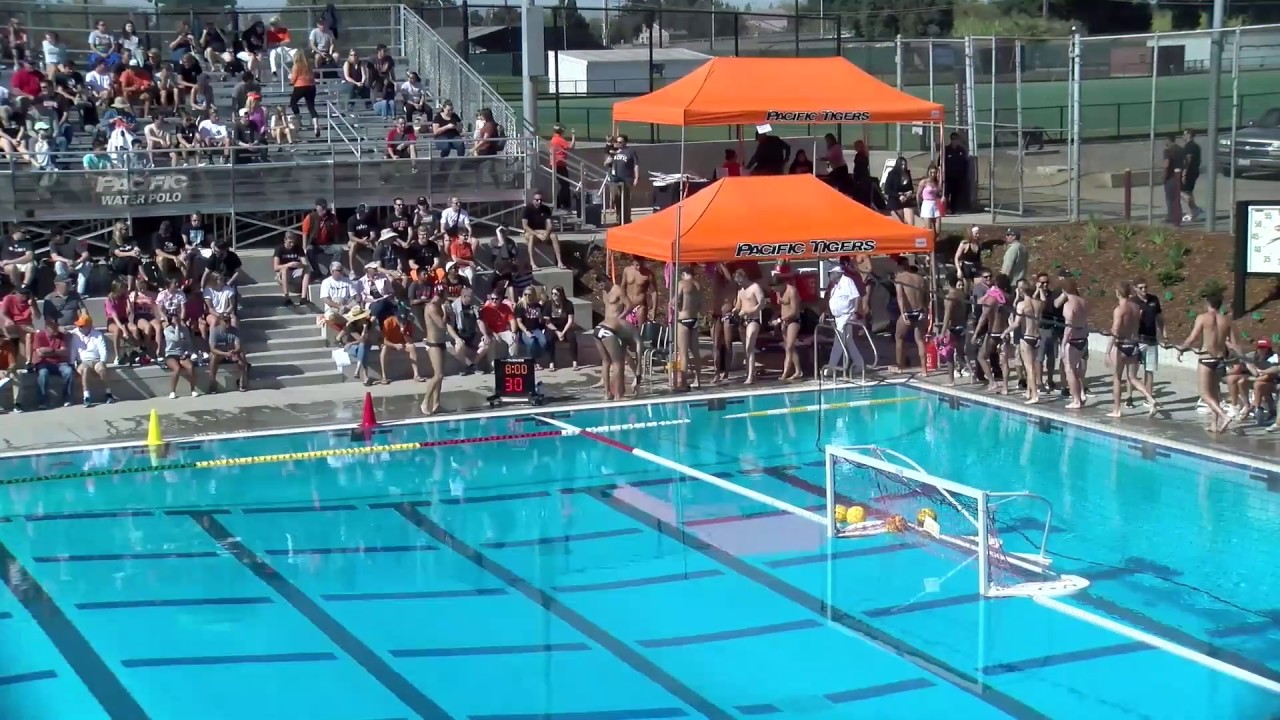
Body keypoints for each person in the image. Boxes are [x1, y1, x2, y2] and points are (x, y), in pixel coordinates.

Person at [1176, 289, 1239, 433]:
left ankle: (1223, 416)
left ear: (1208, 303)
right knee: (1215, 391)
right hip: (1220, 359)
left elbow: (1192, 338)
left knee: (1204, 393)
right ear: (1220, 305)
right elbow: (1233, 343)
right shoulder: (1226, 320)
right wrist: (1236, 358)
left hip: (1206, 359)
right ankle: (1213, 424)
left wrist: (1181, 349)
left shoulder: (1202, 318)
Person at [1106, 283, 1158, 419]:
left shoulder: (1119, 310)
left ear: (1117, 293)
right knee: (1133, 378)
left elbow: (1116, 330)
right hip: (1134, 345)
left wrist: (1108, 351)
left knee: (1117, 378)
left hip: (1121, 346)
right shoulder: (1136, 307)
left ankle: (1116, 409)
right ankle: (1150, 398)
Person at [593, 275, 631, 401]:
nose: (600, 287)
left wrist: (620, 318)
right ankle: (610, 393)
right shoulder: (605, 292)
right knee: (609, 361)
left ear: (607, 280)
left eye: (602, 284)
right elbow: (607, 310)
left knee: (617, 360)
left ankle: (615, 393)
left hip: (613, 328)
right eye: (599, 285)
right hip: (605, 329)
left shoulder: (618, 290)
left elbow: (629, 305)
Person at [975, 273, 1014, 395]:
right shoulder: (1009, 297)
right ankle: (1005, 388)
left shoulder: (992, 298)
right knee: (1004, 361)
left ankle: (992, 382)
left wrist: (975, 333)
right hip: (1005, 331)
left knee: (981, 356)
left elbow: (983, 317)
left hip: (994, 332)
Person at [1057, 279, 1090, 410]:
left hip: (1072, 340)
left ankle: (1076, 400)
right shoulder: (1084, 302)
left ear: (1064, 291)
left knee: (1069, 369)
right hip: (1083, 339)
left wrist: (1063, 343)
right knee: (1075, 370)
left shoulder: (1069, 305)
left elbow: (1069, 326)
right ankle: (1080, 394)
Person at [728, 269, 765, 384]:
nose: (739, 284)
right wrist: (735, 310)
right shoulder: (740, 291)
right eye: (737, 282)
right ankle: (750, 373)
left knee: (749, 347)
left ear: (744, 277)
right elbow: (739, 304)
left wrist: (749, 311)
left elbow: (762, 304)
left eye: (740, 281)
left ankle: (750, 376)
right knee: (746, 350)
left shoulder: (755, 287)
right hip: (742, 321)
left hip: (753, 320)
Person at [1010, 279, 1044, 405]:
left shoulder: (1022, 305)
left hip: (1027, 337)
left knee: (1029, 368)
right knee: (1032, 366)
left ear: (1021, 291)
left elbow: (1016, 323)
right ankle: (1030, 392)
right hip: (1037, 337)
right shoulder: (1039, 303)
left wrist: (1005, 332)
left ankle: (1034, 395)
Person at [893, 256, 929, 372]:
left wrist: (903, 313)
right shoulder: (921, 279)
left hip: (908, 312)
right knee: (919, 340)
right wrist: (925, 311)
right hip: (920, 311)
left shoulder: (900, 278)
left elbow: (900, 298)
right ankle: (924, 369)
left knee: (899, 337)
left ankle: (900, 366)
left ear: (900, 267)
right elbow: (927, 298)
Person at [69, 315, 115, 405]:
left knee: (102, 369)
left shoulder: (97, 334)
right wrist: (71, 363)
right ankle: (86, 397)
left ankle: (108, 393)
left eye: (81, 326)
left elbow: (103, 349)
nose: (79, 327)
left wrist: (102, 361)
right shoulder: (74, 334)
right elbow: (73, 350)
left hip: (96, 360)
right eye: (79, 325)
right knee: (85, 370)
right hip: (83, 361)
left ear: (89, 326)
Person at [1132, 279, 1163, 406]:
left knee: (1149, 370)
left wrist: (1163, 334)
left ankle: (1148, 398)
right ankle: (1129, 398)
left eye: (1145, 287)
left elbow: (1159, 318)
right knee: (1132, 371)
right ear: (1135, 288)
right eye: (1141, 287)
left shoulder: (1154, 300)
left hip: (1151, 339)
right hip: (1137, 339)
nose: (1144, 290)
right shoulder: (1132, 302)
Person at [32, 320, 75, 409]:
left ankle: (67, 398)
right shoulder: (39, 336)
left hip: (59, 363)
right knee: (43, 374)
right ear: (47, 328)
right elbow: (40, 353)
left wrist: (51, 350)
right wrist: (56, 352)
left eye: (56, 327)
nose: (56, 331)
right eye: (53, 329)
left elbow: (64, 352)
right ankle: (43, 401)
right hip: (43, 363)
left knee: (69, 371)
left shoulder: (60, 335)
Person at [673, 266, 703, 390]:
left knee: (683, 353)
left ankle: (683, 383)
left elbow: (676, 300)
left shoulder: (682, 283)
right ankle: (698, 380)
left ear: (684, 274)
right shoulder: (698, 285)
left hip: (683, 319)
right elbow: (700, 305)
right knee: (695, 352)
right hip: (694, 319)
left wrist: (674, 305)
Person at [770, 268, 803, 382]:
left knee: (789, 347)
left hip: (793, 321)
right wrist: (776, 317)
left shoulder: (792, 291)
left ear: (781, 284)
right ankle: (798, 371)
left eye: (776, 289)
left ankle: (785, 374)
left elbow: (794, 311)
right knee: (789, 348)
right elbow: (782, 307)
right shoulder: (779, 291)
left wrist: (779, 320)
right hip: (784, 321)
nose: (775, 292)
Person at [420, 289, 448, 414]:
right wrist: (446, 312)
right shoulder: (431, 308)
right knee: (438, 375)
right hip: (433, 344)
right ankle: (425, 402)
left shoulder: (438, 306)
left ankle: (436, 404)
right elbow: (442, 324)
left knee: (441, 376)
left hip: (441, 343)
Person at [521, 192, 565, 269]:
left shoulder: (546, 209)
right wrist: (537, 234)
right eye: (537, 200)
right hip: (531, 231)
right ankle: (532, 263)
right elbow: (525, 226)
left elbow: (549, 225)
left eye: (541, 200)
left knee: (554, 236)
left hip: (542, 230)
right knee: (531, 237)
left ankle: (559, 262)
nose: (539, 202)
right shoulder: (527, 209)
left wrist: (547, 234)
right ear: (533, 200)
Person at [160, 315, 202, 398]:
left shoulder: (185, 329)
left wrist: (187, 353)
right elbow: (176, 339)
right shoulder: (167, 330)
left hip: (182, 353)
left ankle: (193, 390)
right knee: (177, 368)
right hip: (171, 354)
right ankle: (172, 391)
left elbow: (189, 343)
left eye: (178, 319)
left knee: (190, 367)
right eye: (175, 319)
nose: (178, 320)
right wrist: (177, 327)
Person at [940, 277, 969, 386]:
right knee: (961, 353)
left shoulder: (949, 298)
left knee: (949, 355)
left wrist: (942, 333)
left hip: (952, 328)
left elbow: (947, 317)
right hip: (962, 326)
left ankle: (951, 380)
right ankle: (971, 373)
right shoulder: (962, 295)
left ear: (948, 283)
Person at [208, 314, 249, 392]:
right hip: (220, 354)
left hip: (231, 353)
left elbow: (238, 346)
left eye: (229, 320)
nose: (228, 323)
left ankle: (242, 381)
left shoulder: (235, 331)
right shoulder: (215, 331)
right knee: (213, 357)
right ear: (220, 321)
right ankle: (212, 382)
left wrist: (235, 351)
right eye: (225, 321)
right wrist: (225, 353)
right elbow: (212, 349)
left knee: (242, 355)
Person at [380, 311, 423, 384]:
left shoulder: (408, 323)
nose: (402, 322)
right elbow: (385, 341)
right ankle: (384, 377)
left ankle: (416, 375)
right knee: (384, 348)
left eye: (404, 320)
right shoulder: (388, 322)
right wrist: (394, 345)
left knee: (412, 347)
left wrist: (403, 332)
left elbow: (410, 341)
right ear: (396, 317)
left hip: (402, 343)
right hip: (390, 343)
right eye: (400, 320)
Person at [272, 232, 311, 306]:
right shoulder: (279, 249)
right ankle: (287, 297)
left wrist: (300, 264)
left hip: (295, 272)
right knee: (285, 270)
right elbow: (275, 267)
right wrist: (289, 265)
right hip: (281, 274)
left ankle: (303, 298)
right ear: (285, 240)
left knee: (307, 270)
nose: (292, 244)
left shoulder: (298, 248)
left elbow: (306, 264)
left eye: (293, 242)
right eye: (290, 242)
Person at [546, 286, 578, 372]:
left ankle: (575, 362)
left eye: (556, 294)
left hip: (565, 327)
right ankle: (551, 362)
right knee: (549, 339)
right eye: (552, 293)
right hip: (553, 327)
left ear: (561, 294)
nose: (553, 295)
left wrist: (563, 333)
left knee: (572, 338)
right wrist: (557, 332)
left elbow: (570, 320)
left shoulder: (568, 304)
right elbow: (547, 322)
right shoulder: (548, 304)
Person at [1161, 134, 1184, 226]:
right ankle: (1179, 214)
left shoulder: (1167, 151)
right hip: (1179, 176)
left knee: (1170, 198)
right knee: (1177, 197)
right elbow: (1185, 162)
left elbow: (1167, 164)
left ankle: (1171, 216)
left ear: (1168, 140)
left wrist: (1164, 176)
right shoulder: (1181, 149)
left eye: (1165, 140)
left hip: (1170, 177)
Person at [1181, 128, 1202, 223]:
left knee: (1181, 191)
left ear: (1189, 135)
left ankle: (1193, 210)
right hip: (1194, 171)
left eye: (1184, 134)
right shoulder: (1196, 146)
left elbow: (1188, 159)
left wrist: (1184, 172)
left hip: (1189, 172)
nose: (1183, 136)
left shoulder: (1189, 146)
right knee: (1188, 191)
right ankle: (1192, 211)